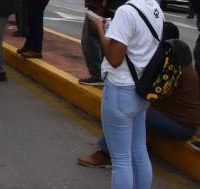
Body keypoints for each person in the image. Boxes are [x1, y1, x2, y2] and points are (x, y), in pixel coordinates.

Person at [86, 0, 164, 188]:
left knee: (120, 159)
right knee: (139, 151)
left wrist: (100, 28)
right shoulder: (154, 6)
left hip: (120, 90)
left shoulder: (126, 11)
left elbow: (114, 58)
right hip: (141, 90)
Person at [78, 21, 200, 168]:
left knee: (128, 110)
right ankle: (135, 145)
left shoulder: (169, 65)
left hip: (181, 126)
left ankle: (106, 154)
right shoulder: (176, 56)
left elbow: (146, 90)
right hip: (174, 118)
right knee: (134, 107)